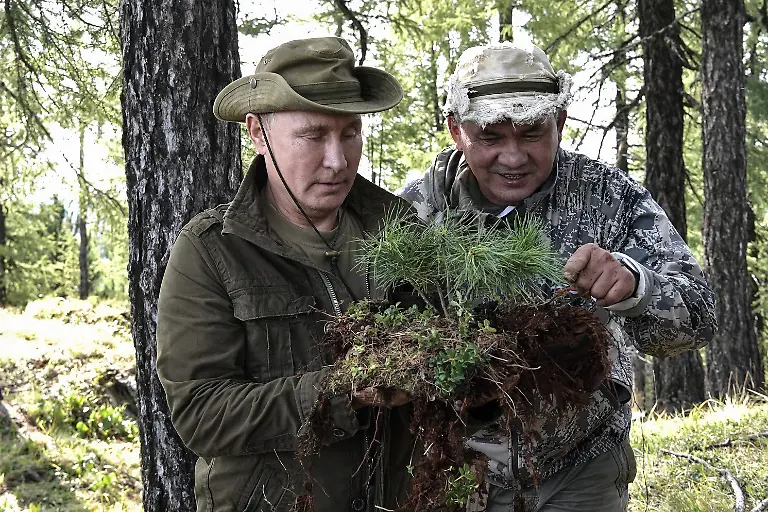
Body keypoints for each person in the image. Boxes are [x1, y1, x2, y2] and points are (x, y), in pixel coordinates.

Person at [399, 42, 717, 511]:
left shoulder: (608, 198)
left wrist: (635, 286)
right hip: (455, 471)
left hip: (579, 468)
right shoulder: (419, 213)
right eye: (491, 137)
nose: (513, 157)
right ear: (456, 131)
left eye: (531, 134)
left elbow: (700, 318)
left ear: (561, 123)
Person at [156, 36, 416, 512]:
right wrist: (341, 392)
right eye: (314, 135)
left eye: (350, 133)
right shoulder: (213, 250)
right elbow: (201, 413)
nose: (337, 161)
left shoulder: (398, 226)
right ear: (258, 132)